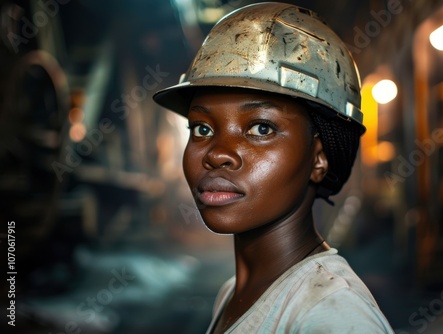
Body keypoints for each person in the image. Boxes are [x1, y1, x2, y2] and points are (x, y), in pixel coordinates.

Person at [153, 2, 394, 333]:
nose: (218, 154)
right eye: (202, 129)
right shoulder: (235, 292)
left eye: (261, 128)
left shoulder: (333, 315)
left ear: (319, 159)